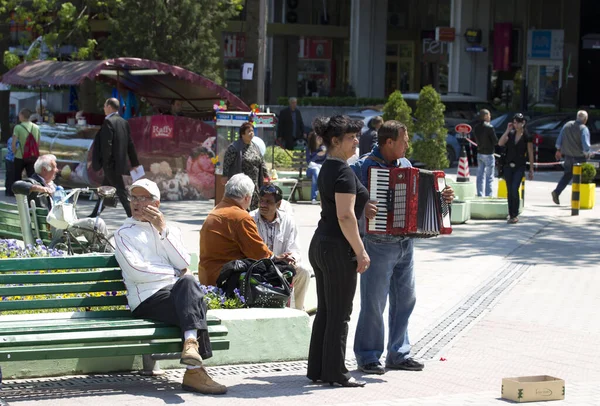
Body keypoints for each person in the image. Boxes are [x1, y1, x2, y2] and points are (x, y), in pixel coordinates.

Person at [351, 120, 454, 375]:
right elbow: (344, 202)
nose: (408, 145)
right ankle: (368, 356)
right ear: (388, 142)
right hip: (377, 244)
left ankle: (398, 353)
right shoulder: (362, 167)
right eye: (404, 140)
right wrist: (362, 207)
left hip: (406, 243)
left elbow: (420, 198)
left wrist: (443, 198)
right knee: (374, 302)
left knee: (406, 299)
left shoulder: (406, 166)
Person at [114, 179, 227, 395]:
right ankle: (194, 370)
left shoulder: (170, 230)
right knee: (193, 301)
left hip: (175, 293)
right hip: (147, 298)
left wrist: (162, 230)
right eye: (134, 198)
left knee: (188, 285)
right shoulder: (124, 233)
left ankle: (191, 345)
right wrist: (174, 273)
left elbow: (184, 262)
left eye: (144, 198)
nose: (137, 203)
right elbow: (136, 271)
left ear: (156, 204)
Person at [306, 115, 375, 388]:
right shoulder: (343, 172)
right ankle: (335, 372)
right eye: (351, 137)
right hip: (336, 247)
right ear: (335, 141)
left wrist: (364, 205)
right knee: (340, 313)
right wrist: (361, 251)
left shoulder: (329, 168)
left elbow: (349, 206)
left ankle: (319, 369)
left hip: (321, 244)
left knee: (326, 311)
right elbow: (345, 216)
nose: (357, 140)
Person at [14, 154, 109, 245]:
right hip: (54, 229)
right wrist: (40, 188)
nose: (57, 170)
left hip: (59, 226)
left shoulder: (53, 185)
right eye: (54, 167)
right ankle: (107, 252)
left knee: (92, 227)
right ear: (44, 170)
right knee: (96, 223)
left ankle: (99, 249)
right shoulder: (33, 182)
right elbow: (16, 185)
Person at [198, 173, 273, 286]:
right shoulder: (240, 217)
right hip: (226, 280)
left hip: (207, 277)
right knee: (285, 272)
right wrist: (277, 259)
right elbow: (259, 254)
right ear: (247, 197)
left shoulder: (215, 212)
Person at [249, 184, 311, 311]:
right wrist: (275, 259)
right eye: (261, 201)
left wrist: (291, 258)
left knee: (304, 271)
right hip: (257, 267)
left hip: (282, 267)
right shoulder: (250, 219)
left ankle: (298, 312)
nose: (263, 205)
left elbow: (295, 248)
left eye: (268, 202)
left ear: (278, 204)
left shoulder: (288, 221)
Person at [91, 97, 142, 218]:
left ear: (109, 107)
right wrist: (135, 163)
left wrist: (106, 163)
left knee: (121, 192)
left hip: (111, 165)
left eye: (104, 106)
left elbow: (106, 145)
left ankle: (132, 215)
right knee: (105, 190)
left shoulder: (108, 122)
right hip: (120, 164)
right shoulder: (124, 122)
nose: (103, 108)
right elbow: (130, 144)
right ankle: (94, 215)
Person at [222, 122, 269, 211]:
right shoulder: (234, 147)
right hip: (242, 183)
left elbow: (261, 161)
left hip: (255, 183)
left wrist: (266, 175)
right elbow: (227, 162)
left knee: (254, 206)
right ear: (243, 134)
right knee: (242, 204)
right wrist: (225, 175)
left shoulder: (255, 146)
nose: (252, 133)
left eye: (252, 131)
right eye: (249, 131)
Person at [498, 113, 534, 224]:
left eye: (518, 122)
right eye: (514, 122)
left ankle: (515, 213)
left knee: (514, 188)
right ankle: (511, 214)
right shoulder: (511, 134)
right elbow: (500, 143)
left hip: (519, 166)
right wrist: (507, 130)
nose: (516, 124)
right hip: (508, 165)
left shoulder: (527, 136)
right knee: (509, 190)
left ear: (523, 123)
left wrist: (531, 169)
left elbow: (530, 152)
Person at [551, 110, 591, 205]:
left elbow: (559, 139)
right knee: (580, 179)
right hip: (580, 157)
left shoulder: (567, 125)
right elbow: (585, 145)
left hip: (568, 157)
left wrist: (558, 150)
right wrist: (588, 153)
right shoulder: (583, 128)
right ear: (585, 119)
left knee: (567, 176)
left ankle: (557, 192)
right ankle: (577, 200)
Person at [473, 109, 498, 197]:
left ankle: (480, 194)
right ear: (486, 116)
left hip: (480, 152)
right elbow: (495, 141)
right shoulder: (490, 128)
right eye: (489, 115)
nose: (490, 117)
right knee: (489, 176)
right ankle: (488, 195)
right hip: (489, 153)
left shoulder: (476, 127)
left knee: (480, 175)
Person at [12, 108, 40, 181]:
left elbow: (13, 143)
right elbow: (38, 143)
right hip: (32, 156)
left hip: (20, 156)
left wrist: (14, 152)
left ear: (22, 116)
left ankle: (17, 192)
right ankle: (32, 191)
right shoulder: (36, 127)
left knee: (17, 177)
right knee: (32, 177)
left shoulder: (18, 127)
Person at [305, 131, 327, 204]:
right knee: (315, 170)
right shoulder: (309, 149)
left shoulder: (323, 148)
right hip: (310, 170)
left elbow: (325, 161)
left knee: (315, 176)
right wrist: (317, 155)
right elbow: (309, 162)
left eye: (321, 137)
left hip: (321, 170)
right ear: (313, 139)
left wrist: (324, 153)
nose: (320, 139)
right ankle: (318, 188)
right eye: (318, 137)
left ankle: (313, 199)